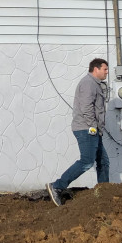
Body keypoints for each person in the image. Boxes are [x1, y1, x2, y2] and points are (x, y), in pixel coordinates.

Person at [46, 58, 110, 207]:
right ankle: (57, 186)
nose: (107, 72)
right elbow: (86, 107)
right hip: (86, 129)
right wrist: (92, 126)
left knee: (103, 162)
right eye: (105, 69)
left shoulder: (95, 84)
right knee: (87, 162)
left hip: (93, 130)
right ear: (96, 69)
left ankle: (104, 194)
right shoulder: (88, 84)